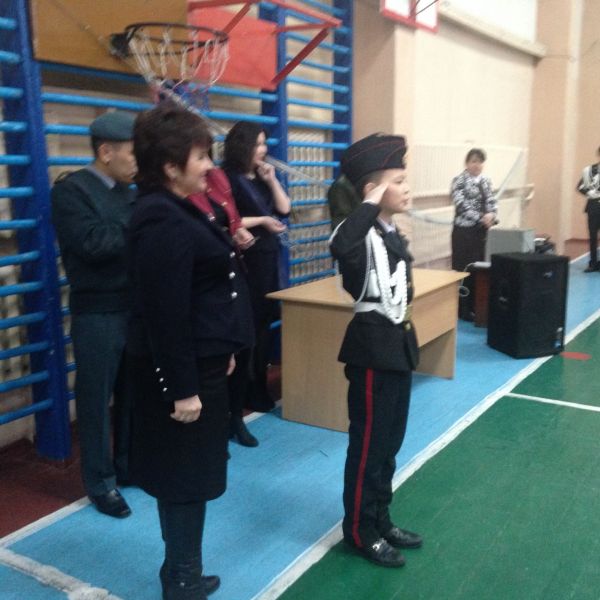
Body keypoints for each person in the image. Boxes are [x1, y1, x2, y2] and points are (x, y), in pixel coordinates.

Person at [127, 103, 254, 600]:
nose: (208, 166)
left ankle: (181, 570)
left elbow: (200, 296)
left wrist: (220, 349)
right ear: (169, 166)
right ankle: (181, 578)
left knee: (190, 473)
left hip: (202, 362)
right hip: (184, 376)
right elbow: (165, 314)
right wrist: (182, 388)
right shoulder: (162, 219)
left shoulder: (178, 209)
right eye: (200, 157)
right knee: (184, 477)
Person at [329, 133, 422, 568]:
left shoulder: (388, 232)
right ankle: (360, 531)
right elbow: (341, 245)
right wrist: (368, 202)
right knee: (368, 447)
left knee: (388, 446)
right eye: (397, 181)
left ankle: (381, 519)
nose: (407, 188)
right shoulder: (357, 232)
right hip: (371, 352)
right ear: (373, 190)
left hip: (396, 347)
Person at [51, 110, 137, 518]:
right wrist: (141, 220)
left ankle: (127, 466)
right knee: (95, 401)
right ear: (106, 152)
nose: (138, 162)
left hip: (132, 307)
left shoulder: (130, 191)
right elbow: (93, 244)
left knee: (132, 395)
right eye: (133, 153)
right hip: (97, 312)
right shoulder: (71, 191)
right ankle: (101, 483)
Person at [223, 121, 291, 413]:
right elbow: (228, 219)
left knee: (264, 325)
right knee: (248, 326)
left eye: (264, 144)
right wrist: (262, 220)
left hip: (267, 256)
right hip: (246, 258)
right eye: (258, 144)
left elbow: (284, 208)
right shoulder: (228, 178)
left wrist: (272, 180)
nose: (263, 150)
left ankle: (258, 385)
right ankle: (243, 388)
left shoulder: (261, 177)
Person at [189, 168, 259, 447]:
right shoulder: (178, 190)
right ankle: (215, 424)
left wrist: (237, 232)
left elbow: (233, 219)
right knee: (216, 353)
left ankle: (236, 418)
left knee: (243, 344)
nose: (206, 163)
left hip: (232, 269)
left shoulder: (217, 178)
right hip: (207, 276)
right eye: (199, 156)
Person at [450, 148, 497, 320]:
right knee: (463, 269)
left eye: (480, 162)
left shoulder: (486, 181)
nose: (477, 165)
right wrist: (481, 218)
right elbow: (461, 205)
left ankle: (476, 307)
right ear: (467, 163)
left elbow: (492, 201)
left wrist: (492, 215)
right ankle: (462, 309)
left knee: (479, 269)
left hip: (481, 232)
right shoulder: (459, 181)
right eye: (473, 161)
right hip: (463, 232)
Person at [576, 146, 600, 272]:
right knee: (593, 237)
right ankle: (593, 263)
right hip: (594, 208)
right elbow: (580, 186)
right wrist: (591, 193)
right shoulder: (591, 170)